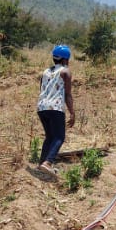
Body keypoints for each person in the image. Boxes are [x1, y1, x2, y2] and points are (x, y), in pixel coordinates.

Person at [37, 44, 75, 176]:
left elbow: (42, 89)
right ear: (65, 59)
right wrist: (72, 113)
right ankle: (48, 163)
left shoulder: (45, 72)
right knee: (59, 137)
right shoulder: (65, 71)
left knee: (49, 136)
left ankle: (41, 163)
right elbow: (68, 95)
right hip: (55, 108)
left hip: (41, 107)